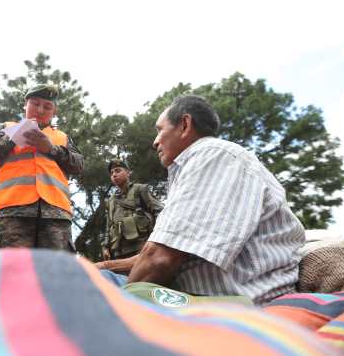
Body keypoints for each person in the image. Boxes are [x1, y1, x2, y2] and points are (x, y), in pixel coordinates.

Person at [102, 95, 305, 305]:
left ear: (185, 124)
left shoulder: (212, 156)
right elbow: (165, 251)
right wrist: (105, 266)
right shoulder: (200, 163)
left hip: (237, 302)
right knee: (95, 275)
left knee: (90, 289)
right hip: (211, 296)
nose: (155, 142)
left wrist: (119, 311)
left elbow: (159, 259)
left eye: (159, 130)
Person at [0, 84, 84, 251]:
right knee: (10, 271)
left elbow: (79, 165)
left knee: (56, 272)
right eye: (35, 103)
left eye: (47, 106)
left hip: (56, 215)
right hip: (12, 212)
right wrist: (14, 136)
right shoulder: (7, 128)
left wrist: (51, 149)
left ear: (54, 112)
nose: (40, 110)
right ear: (25, 105)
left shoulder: (62, 137)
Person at [101, 159, 163, 263]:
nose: (114, 175)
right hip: (119, 251)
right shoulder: (111, 200)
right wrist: (105, 247)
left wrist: (157, 238)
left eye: (118, 171)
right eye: (112, 173)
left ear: (128, 173)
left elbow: (159, 211)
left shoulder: (140, 189)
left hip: (141, 246)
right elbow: (109, 225)